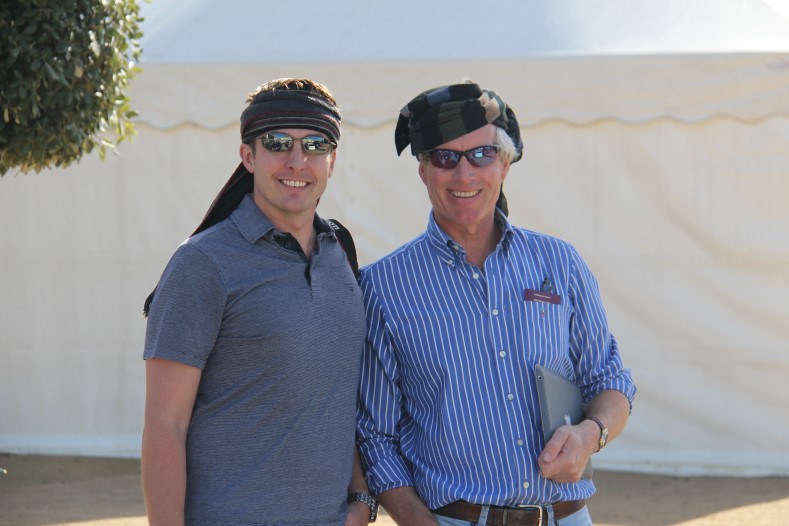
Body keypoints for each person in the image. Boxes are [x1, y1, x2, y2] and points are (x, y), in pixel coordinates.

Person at [356, 82, 637, 526]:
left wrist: (591, 433)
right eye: (445, 158)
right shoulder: (383, 286)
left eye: (482, 155)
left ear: (505, 165)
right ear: (423, 171)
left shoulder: (559, 262)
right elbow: (375, 436)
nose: (464, 174)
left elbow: (610, 380)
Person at [141, 78, 377, 526]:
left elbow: (335, 395)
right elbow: (164, 424)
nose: (297, 161)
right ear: (248, 156)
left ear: (332, 160)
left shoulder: (340, 253)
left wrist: (361, 501)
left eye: (315, 145)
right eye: (278, 143)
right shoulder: (202, 263)